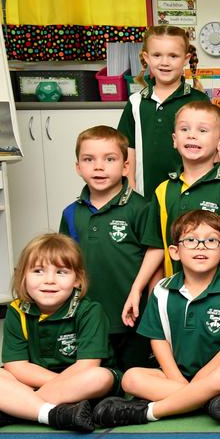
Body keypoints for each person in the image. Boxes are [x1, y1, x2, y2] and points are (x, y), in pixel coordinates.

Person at [94, 211, 220, 426]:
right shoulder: (162, 291)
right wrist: (175, 377)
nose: (200, 246)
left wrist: (202, 377)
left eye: (211, 241)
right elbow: (158, 339)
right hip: (174, 375)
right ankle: (207, 402)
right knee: (131, 378)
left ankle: (148, 411)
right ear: (174, 252)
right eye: (190, 240)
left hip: (214, 375)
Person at [0, 234, 115, 433]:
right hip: (31, 382)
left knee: (99, 377)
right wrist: (53, 384)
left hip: (78, 382)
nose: (49, 280)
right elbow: (16, 366)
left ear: (77, 280)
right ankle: (53, 414)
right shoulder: (16, 310)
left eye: (61, 272)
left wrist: (41, 390)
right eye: (38, 271)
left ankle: (12, 409)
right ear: (23, 277)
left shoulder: (89, 311)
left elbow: (86, 366)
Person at [128, 102, 220, 323]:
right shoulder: (164, 190)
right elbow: (156, 245)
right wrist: (137, 289)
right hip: (178, 297)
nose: (192, 136)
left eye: (202, 130)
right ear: (174, 140)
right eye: (184, 129)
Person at [60, 126, 164, 370]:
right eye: (89, 159)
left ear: (126, 166)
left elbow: (156, 249)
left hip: (132, 313)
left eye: (109, 159)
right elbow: (64, 260)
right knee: (96, 372)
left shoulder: (140, 207)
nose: (99, 167)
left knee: (133, 374)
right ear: (78, 167)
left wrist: (138, 290)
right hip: (89, 315)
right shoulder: (71, 212)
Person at [117, 25, 209, 195]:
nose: (164, 62)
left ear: (186, 58)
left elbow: (211, 149)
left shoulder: (199, 100)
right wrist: (130, 186)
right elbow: (128, 149)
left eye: (173, 56)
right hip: (145, 196)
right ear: (147, 57)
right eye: (157, 55)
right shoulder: (136, 102)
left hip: (190, 195)